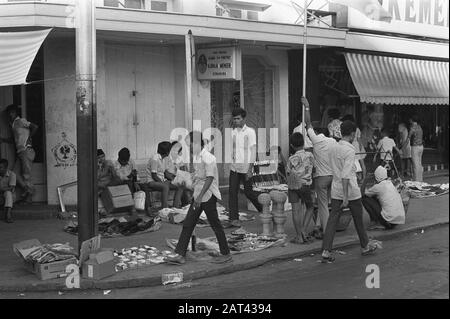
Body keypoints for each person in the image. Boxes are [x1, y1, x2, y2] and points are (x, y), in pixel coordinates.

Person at [165, 132, 231, 265]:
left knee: (215, 224)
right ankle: (180, 254)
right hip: (199, 195)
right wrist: (187, 180)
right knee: (188, 223)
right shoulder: (197, 157)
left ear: (198, 144)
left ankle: (226, 253)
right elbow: (199, 176)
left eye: (191, 145)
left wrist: (200, 197)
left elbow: (209, 178)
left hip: (207, 196)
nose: (189, 148)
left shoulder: (208, 157)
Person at [321, 120, 378, 263]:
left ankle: (326, 250)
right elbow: (346, 174)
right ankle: (365, 246)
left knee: (332, 220)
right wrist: (346, 196)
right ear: (352, 134)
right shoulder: (349, 149)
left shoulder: (334, 147)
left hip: (336, 188)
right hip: (350, 190)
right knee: (358, 219)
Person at [303, 97, 337, 240]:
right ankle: (317, 227)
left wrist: (307, 107)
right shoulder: (333, 141)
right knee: (325, 203)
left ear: (316, 133)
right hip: (332, 177)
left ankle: (326, 232)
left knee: (322, 206)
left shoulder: (316, 140)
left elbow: (308, 123)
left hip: (321, 177)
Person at [228, 108, 262, 228]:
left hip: (246, 167)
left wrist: (250, 169)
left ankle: (264, 209)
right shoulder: (232, 132)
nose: (236, 121)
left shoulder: (250, 132)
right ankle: (234, 219)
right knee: (232, 192)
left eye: (238, 118)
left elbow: (253, 151)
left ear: (244, 119)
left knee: (248, 192)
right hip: (234, 167)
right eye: (234, 118)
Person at [0, 104, 38, 204]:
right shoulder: (13, 125)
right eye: (9, 113)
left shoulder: (21, 121)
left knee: (26, 175)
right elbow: (15, 139)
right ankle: (27, 190)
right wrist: (3, 140)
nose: (10, 115)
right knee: (14, 174)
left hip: (26, 151)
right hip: (20, 152)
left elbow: (34, 127)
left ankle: (28, 199)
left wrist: (29, 138)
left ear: (15, 113)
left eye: (12, 112)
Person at [286, 132, 315, 244]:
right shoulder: (310, 155)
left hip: (293, 186)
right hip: (305, 185)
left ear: (292, 146)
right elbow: (314, 168)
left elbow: (288, 173)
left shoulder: (291, 159)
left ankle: (299, 236)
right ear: (303, 143)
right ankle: (303, 230)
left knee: (295, 211)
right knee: (310, 207)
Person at [140, 141, 184, 209]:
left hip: (162, 180)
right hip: (152, 181)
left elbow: (165, 172)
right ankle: (165, 209)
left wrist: (174, 179)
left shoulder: (165, 158)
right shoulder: (155, 159)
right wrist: (163, 183)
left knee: (180, 185)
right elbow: (154, 175)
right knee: (165, 187)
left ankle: (175, 208)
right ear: (167, 152)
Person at [361, 166, 405, 230]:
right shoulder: (390, 183)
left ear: (376, 177)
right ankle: (379, 221)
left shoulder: (378, 187)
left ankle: (376, 222)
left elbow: (362, 194)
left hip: (388, 221)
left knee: (364, 198)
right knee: (375, 196)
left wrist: (365, 180)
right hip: (397, 221)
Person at [341, 114, 366, 182]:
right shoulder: (357, 129)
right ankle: (362, 178)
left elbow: (358, 139)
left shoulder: (352, 129)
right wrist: (360, 148)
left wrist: (360, 148)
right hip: (357, 146)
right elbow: (359, 140)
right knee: (360, 163)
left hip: (354, 146)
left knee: (355, 162)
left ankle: (360, 178)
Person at [408, 115, 424, 182]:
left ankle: (417, 181)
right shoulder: (419, 126)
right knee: (419, 164)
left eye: (410, 119)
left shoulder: (413, 127)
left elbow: (408, 137)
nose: (409, 120)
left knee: (415, 165)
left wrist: (402, 146)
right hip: (421, 147)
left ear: (412, 120)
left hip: (415, 147)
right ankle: (420, 180)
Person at [0, 159, 16, 223]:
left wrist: (2, 189)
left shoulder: (12, 174)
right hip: (0, 196)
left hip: (10, 197)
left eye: (0, 167)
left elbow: (11, 188)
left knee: (8, 193)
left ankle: (8, 215)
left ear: (6, 168)